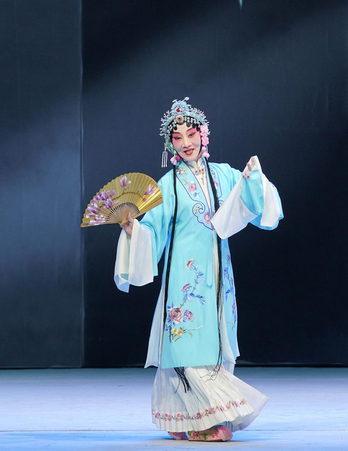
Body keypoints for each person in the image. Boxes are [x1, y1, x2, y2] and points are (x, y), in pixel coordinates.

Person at [114, 98, 283, 441]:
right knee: (186, 347)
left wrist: (253, 177)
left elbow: (254, 205)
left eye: (191, 134)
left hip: (219, 278)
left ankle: (187, 419)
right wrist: (135, 231)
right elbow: (153, 231)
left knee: (215, 346)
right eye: (177, 138)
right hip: (184, 280)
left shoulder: (223, 175)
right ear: (170, 145)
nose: (186, 143)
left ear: (204, 136)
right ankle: (202, 420)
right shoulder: (168, 185)